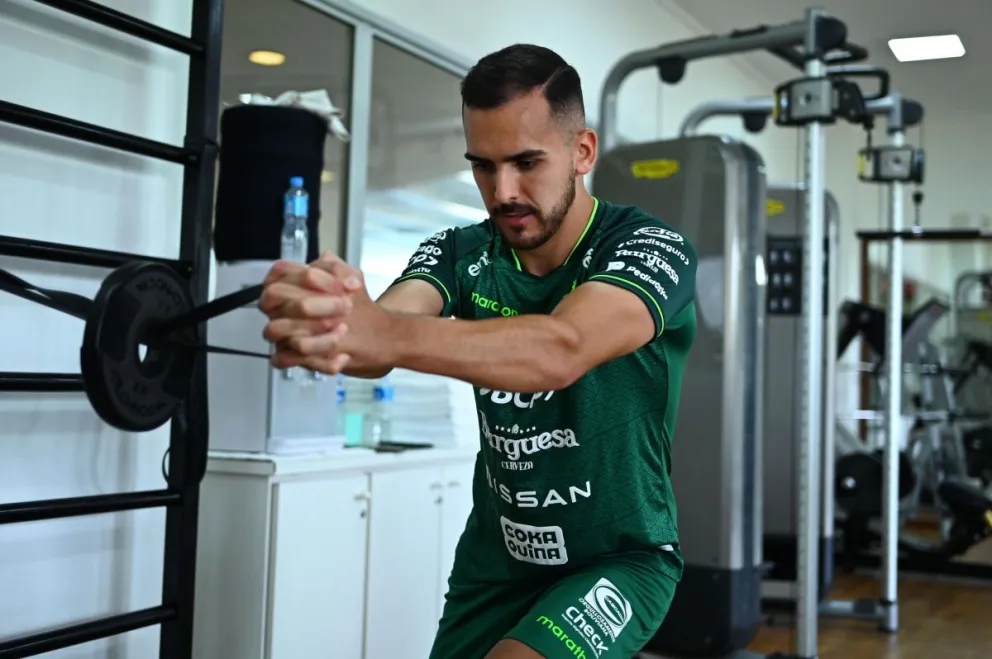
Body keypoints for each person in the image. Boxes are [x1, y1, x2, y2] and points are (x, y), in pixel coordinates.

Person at [259, 43, 697, 659]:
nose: (503, 191)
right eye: (484, 166)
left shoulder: (650, 247)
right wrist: (330, 319)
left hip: (619, 558)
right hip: (497, 563)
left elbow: (561, 348)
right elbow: (382, 334)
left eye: (525, 162)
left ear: (582, 152)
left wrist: (379, 333)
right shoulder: (461, 251)